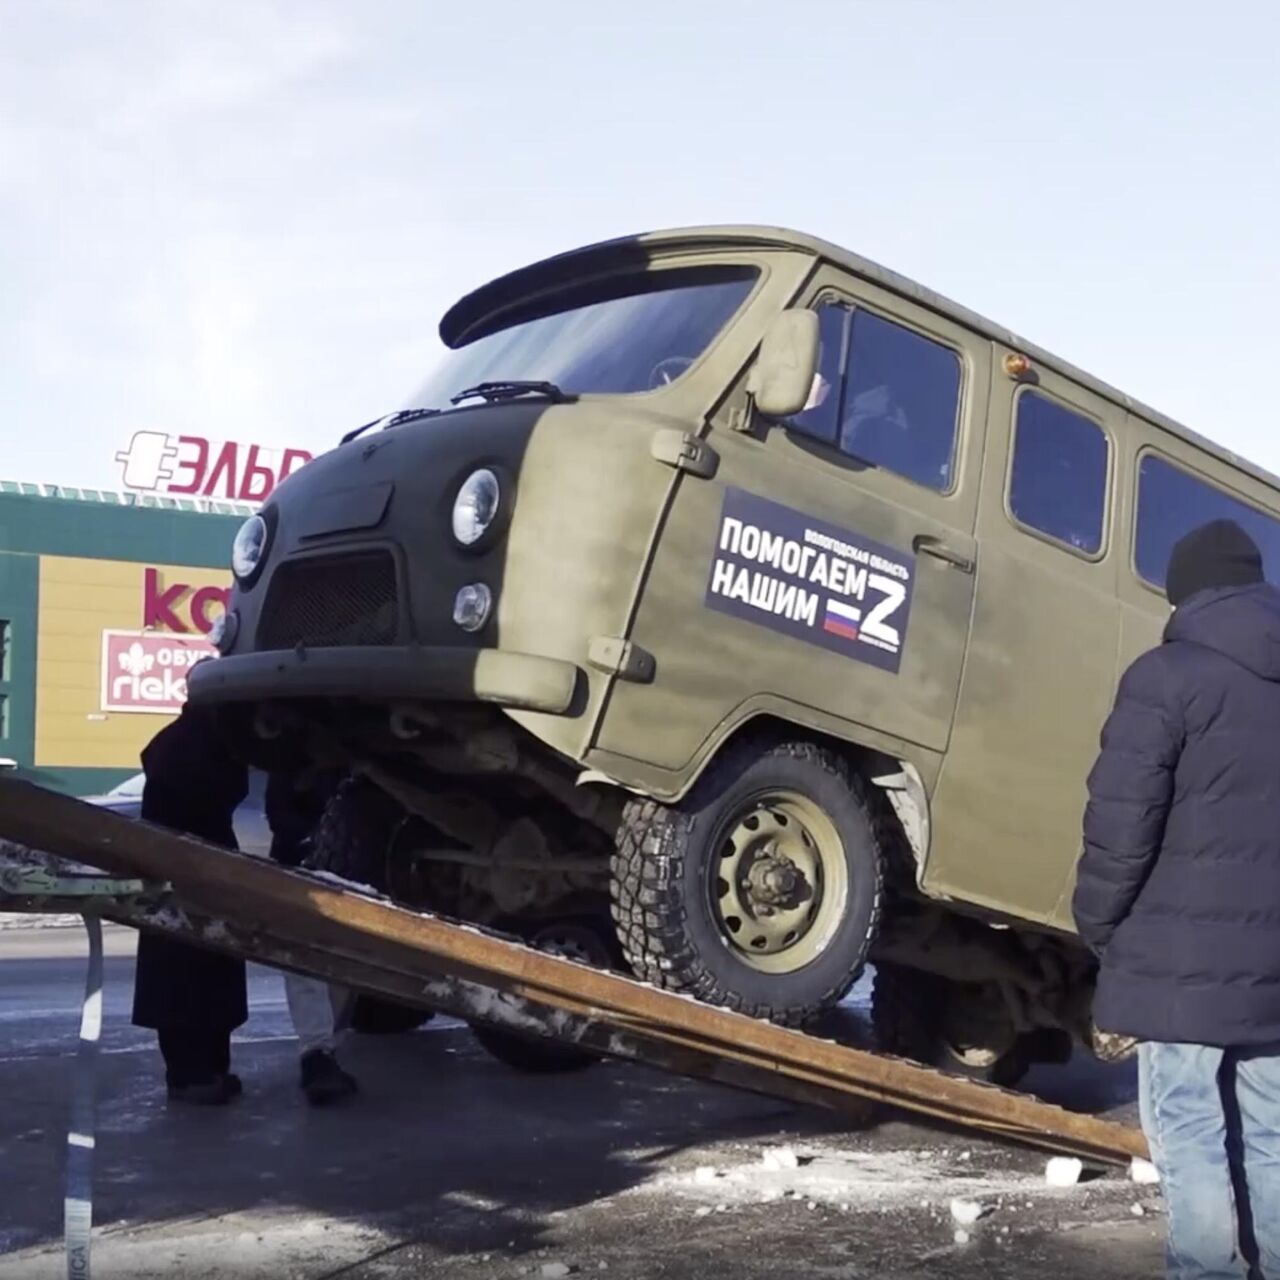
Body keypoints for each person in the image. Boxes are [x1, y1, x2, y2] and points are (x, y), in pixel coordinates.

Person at [1074, 518, 1280, 1279]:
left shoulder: (1166, 678)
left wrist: (1098, 921)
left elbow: (1120, 822)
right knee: (1271, 1135)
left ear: (1187, 592)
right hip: (1273, 970)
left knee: (1188, 1124)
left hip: (1179, 965)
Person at [132, 702, 248, 1105]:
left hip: (170, 877)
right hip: (203, 875)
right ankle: (204, 1074)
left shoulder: (173, 742)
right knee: (206, 980)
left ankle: (187, 1075)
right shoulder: (209, 745)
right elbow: (225, 791)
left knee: (178, 979)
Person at [264, 768, 360, 1105]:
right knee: (314, 966)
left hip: (319, 871)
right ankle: (318, 1056)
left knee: (324, 968)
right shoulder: (310, 764)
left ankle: (321, 1054)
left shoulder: (313, 763)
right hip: (312, 873)